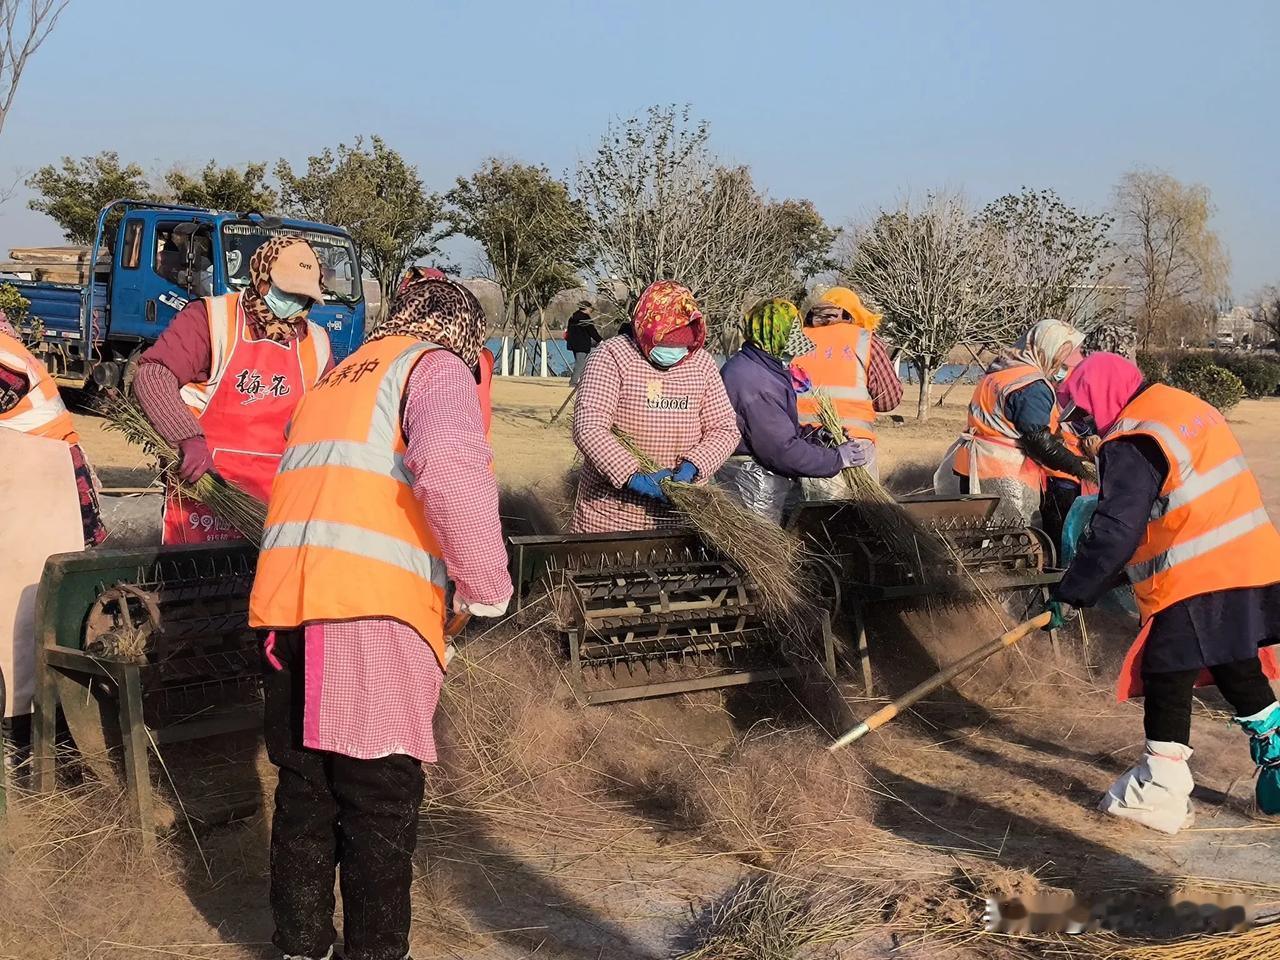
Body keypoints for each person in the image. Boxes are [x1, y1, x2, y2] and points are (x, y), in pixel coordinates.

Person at [248, 275, 512, 960]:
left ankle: (302, 946)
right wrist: (485, 585)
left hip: (286, 611)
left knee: (307, 795)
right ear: (461, 333)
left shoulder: (340, 377)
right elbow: (450, 467)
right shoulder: (433, 366)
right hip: (367, 612)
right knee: (380, 800)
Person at [1047, 352, 1280, 834]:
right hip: (1250, 556)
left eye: (1082, 411)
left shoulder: (1133, 437)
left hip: (1197, 571)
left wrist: (1072, 592)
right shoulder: (1178, 406)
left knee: (1167, 672)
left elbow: (1116, 528)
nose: (1083, 425)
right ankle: (1277, 753)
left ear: (1101, 398)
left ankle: (1161, 790)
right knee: (1232, 660)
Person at [132, 236, 333, 544]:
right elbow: (154, 375)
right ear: (262, 278)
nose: (293, 302)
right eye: (286, 291)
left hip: (276, 501)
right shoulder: (211, 319)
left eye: (302, 297)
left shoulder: (316, 343)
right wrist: (187, 438)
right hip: (206, 487)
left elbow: (325, 420)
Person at [570, 280, 739, 533]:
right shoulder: (611, 355)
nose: (673, 352)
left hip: (680, 517)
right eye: (665, 343)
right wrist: (631, 475)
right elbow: (590, 427)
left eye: (681, 345)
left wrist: (694, 466)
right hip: (611, 517)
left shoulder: (702, 364)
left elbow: (725, 428)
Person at [718, 298, 872, 523]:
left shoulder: (763, 368)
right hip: (752, 489)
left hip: (761, 482)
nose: (793, 353)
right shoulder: (754, 381)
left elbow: (781, 430)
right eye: (789, 341)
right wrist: (836, 459)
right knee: (764, 551)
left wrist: (817, 436)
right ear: (771, 336)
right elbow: (780, 450)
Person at [936, 318, 1093, 525]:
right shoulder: (1032, 385)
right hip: (1004, 474)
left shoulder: (999, 372)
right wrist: (1079, 466)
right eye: (1061, 354)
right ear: (1048, 348)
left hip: (972, 464)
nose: (1061, 363)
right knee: (1011, 540)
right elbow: (1038, 441)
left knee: (980, 534)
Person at [0, 312, 105, 547]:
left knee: (42, 565)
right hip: (48, 462)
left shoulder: (3, 361)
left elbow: (11, 389)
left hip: (46, 471)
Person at [792, 286, 902, 492]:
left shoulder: (797, 339)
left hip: (801, 446)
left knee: (803, 518)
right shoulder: (865, 339)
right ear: (853, 313)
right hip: (854, 444)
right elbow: (889, 399)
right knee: (859, 516)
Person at [565, 301, 603, 385]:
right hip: (582, 344)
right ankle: (573, 382)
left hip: (573, 343)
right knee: (580, 363)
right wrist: (600, 340)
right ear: (586, 308)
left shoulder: (573, 317)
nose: (591, 310)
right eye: (590, 308)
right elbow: (592, 331)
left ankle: (582, 381)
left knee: (580, 362)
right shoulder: (585, 318)